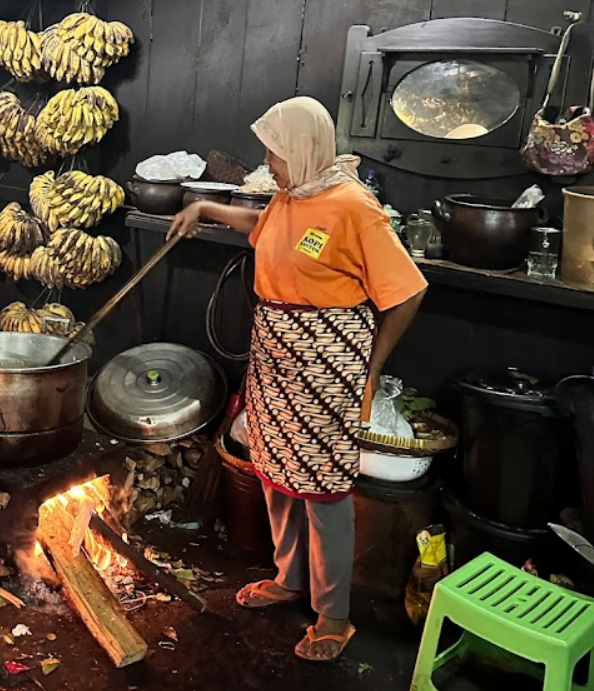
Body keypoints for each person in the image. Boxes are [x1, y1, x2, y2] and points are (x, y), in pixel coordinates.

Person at [168, 97, 427, 662]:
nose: (270, 162)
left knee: (324, 489)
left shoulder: (354, 206)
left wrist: (373, 367)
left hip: (327, 365)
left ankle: (334, 616)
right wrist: (207, 209)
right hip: (275, 358)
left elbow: (408, 290)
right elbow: (261, 227)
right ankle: (290, 580)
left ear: (307, 150)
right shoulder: (293, 195)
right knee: (276, 473)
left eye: (276, 151)